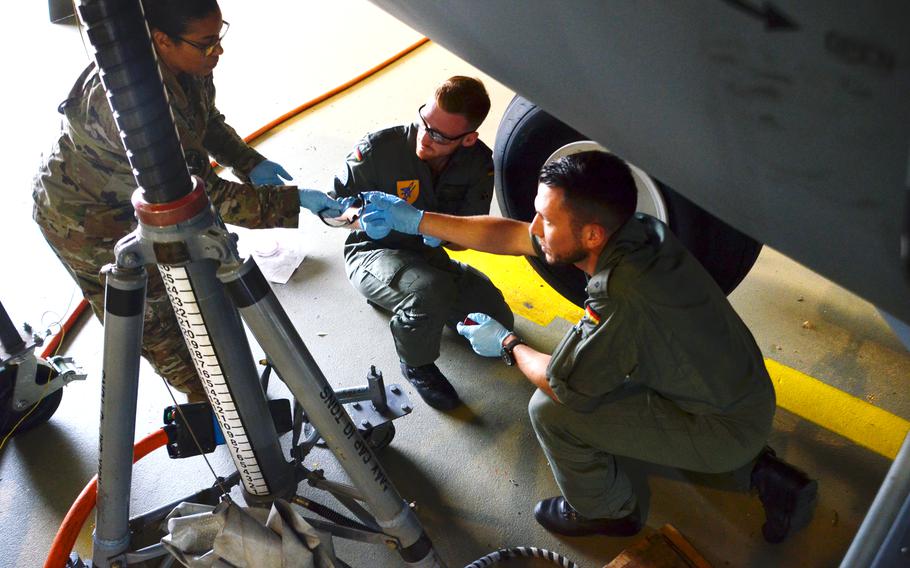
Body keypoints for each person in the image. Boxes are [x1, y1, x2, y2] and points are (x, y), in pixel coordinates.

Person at [356, 150, 817, 541]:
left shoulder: (621, 293)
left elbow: (564, 386)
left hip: (723, 425)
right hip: (741, 390)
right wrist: (418, 220)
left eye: (547, 219)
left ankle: (606, 510)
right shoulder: (638, 231)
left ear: (591, 235)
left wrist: (507, 343)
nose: (535, 225)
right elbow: (514, 235)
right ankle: (770, 479)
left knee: (551, 413)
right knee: (626, 373)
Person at [33, 0, 341, 400]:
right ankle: (216, 403)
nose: (218, 51)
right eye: (207, 43)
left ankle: (230, 389)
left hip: (140, 194)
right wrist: (295, 201)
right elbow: (207, 198)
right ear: (162, 40)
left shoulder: (186, 63)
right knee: (156, 323)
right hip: (85, 221)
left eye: (219, 36)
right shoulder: (133, 103)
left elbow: (205, 120)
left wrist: (250, 161)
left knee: (200, 288)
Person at [329, 76, 513, 411]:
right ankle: (416, 363)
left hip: (428, 254)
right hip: (373, 251)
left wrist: (443, 233)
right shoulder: (379, 149)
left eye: (440, 136)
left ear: (469, 138)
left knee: (496, 316)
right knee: (430, 290)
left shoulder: (477, 164)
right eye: (424, 122)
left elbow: (466, 236)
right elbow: (331, 208)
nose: (425, 138)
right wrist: (357, 217)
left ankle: (414, 301)